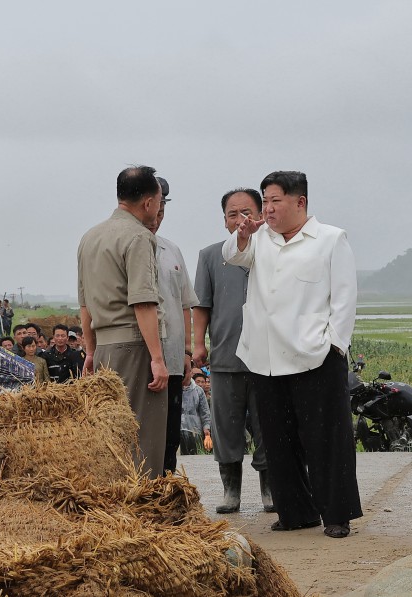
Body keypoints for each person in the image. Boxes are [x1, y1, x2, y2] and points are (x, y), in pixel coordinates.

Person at [223, 170, 361, 539]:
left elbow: (344, 299)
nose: (267, 209)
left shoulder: (330, 239)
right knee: (277, 440)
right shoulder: (258, 239)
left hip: (315, 354)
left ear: (300, 202)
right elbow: (232, 256)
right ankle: (295, 512)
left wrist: (335, 344)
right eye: (264, 201)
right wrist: (242, 234)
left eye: (275, 201)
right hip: (265, 356)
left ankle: (337, 513)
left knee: (325, 439)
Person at [77, 165, 169, 479]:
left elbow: (85, 304)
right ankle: (141, 507)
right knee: (142, 436)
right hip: (135, 346)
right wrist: (157, 358)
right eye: (159, 201)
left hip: (104, 349)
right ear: (148, 203)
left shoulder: (90, 237)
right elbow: (143, 301)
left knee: (110, 433)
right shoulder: (139, 237)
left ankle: (114, 505)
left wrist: (90, 352)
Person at [193, 188, 273, 514]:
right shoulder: (211, 256)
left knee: (268, 427)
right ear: (224, 220)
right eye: (232, 214)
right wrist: (198, 343)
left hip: (268, 359)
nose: (240, 220)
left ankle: (271, 490)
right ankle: (231, 491)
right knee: (226, 428)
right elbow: (201, 305)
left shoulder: (272, 251)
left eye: (247, 212)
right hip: (225, 358)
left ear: (261, 216)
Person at [148, 176, 198, 475]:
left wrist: (188, 351)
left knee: (169, 431)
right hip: (141, 357)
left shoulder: (172, 251)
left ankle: (166, 485)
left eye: (162, 213)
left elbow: (185, 303)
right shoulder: (124, 246)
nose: (157, 219)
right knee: (142, 429)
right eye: (155, 211)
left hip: (174, 357)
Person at [180, 377, 212, 455]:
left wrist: (207, 431)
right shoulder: (171, 388)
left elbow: (205, 412)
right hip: (176, 431)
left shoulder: (198, 390)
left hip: (195, 430)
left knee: (194, 457)